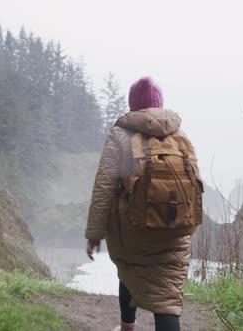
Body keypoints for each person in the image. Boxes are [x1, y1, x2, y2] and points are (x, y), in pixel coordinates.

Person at [85, 77, 201, 331]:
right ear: (160, 104)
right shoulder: (180, 137)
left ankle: (127, 327)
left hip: (134, 229)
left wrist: (95, 233)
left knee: (129, 268)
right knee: (167, 300)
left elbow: (104, 186)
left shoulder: (121, 134)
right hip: (176, 230)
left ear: (132, 105)